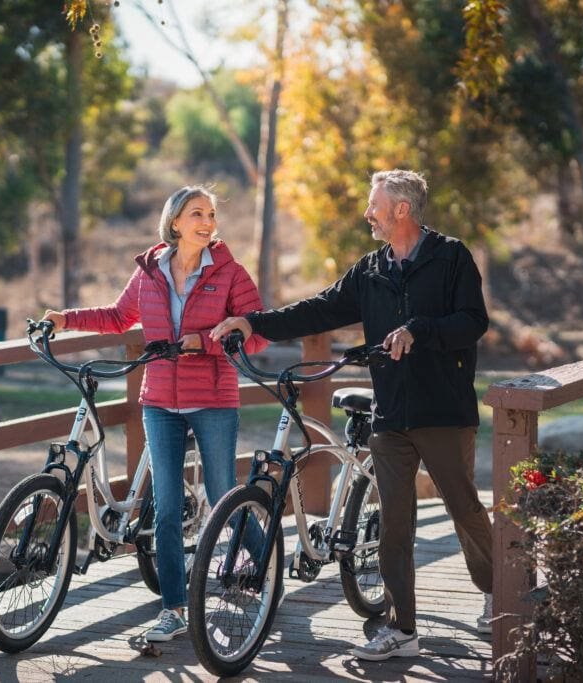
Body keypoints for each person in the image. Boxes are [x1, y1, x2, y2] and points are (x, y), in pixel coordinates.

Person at [210, 169, 493, 661]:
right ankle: (403, 630)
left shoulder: (451, 258)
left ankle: (499, 593)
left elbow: (473, 322)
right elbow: (319, 309)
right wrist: (253, 322)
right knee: (395, 525)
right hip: (391, 414)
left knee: (463, 508)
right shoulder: (371, 270)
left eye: (374, 204)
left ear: (401, 209)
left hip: (443, 411)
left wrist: (418, 330)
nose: (368, 213)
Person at [42, 185, 268, 643]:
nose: (206, 222)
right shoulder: (150, 271)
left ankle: (264, 573)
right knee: (165, 509)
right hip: (160, 401)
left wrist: (204, 342)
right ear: (175, 222)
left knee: (224, 494)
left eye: (210, 214)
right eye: (196, 214)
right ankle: (173, 609)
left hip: (214, 399)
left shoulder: (229, 272)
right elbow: (117, 317)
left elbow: (257, 333)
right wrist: (65, 319)